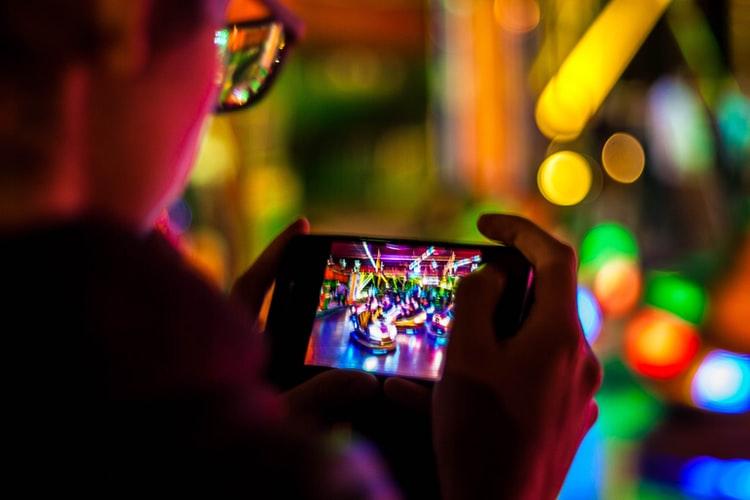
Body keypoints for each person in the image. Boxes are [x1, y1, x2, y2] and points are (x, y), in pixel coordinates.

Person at [0, 0, 601, 498]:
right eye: (226, 41)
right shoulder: (194, 437)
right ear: (126, 21)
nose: (218, 95)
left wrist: (232, 401)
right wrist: (511, 488)